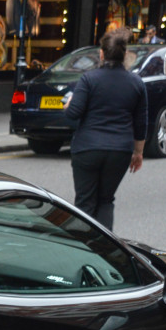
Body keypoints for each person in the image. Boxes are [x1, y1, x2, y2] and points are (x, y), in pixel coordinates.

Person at [62, 27, 147, 231]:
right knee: (106, 200)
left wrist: (68, 103)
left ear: (101, 53)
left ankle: (83, 248)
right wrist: (138, 153)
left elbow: (73, 113)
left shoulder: (89, 79)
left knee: (85, 202)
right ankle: (106, 251)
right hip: (120, 150)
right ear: (125, 54)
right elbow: (141, 123)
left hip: (87, 148)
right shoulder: (136, 83)